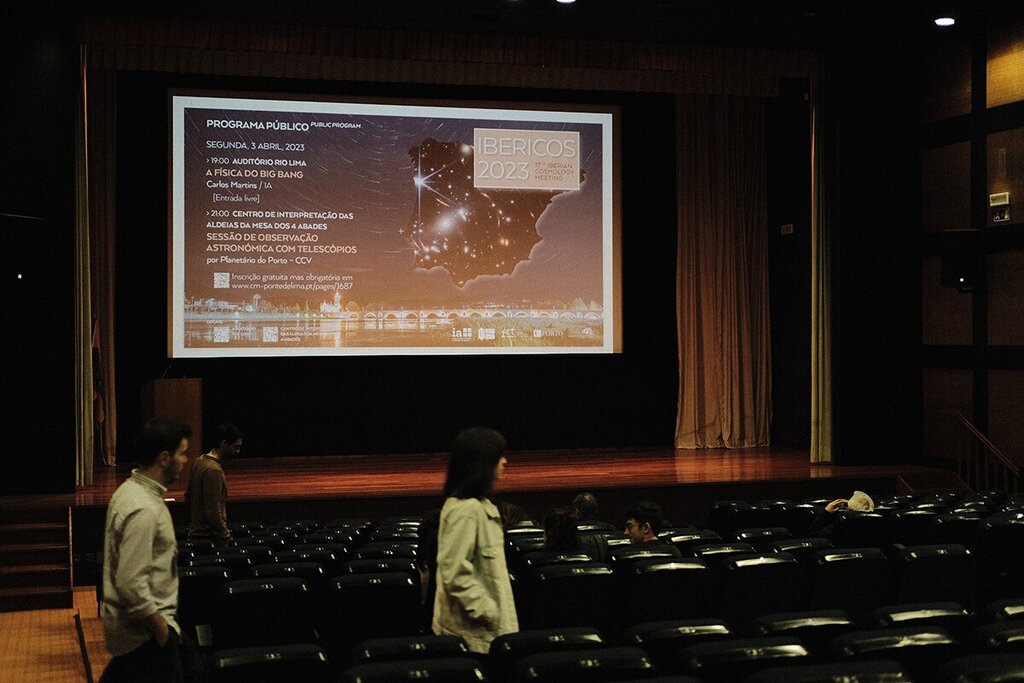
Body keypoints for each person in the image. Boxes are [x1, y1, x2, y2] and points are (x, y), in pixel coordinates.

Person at [100, 418, 191, 683]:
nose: (186, 460)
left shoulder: (128, 491)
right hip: (146, 638)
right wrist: (161, 630)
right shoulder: (144, 508)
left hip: (137, 637)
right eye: (182, 453)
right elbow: (130, 583)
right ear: (164, 458)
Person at [433, 427, 518, 654]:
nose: (505, 461)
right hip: (473, 639)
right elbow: (454, 572)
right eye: (499, 456)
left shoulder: (479, 506)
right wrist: (488, 611)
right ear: (483, 463)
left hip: (483, 636)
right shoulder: (466, 510)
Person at [185, 423, 242, 546]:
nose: (237, 451)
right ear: (224, 443)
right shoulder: (213, 470)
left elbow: (188, 495)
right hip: (210, 538)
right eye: (235, 447)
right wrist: (226, 536)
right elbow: (213, 511)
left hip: (197, 534)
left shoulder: (199, 461)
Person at [810, 490, 875, 536]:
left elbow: (815, 532)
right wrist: (852, 504)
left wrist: (826, 512)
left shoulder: (844, 522)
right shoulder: (872, 525)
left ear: (848, 509)